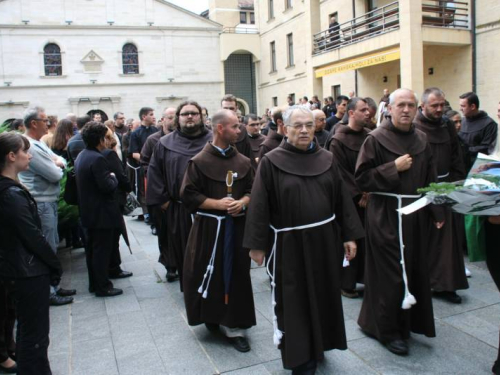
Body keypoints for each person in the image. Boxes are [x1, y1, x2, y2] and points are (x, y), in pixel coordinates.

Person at [244, 105, 363, 374]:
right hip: (289, 245)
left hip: (324, 241)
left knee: (322, 295)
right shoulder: (272, 161)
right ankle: (299, 356)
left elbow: (342, 200)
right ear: (284, 128)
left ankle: (319, 344)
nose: (305, 130)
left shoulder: (327, 158)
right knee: (295, 300)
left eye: (309, 124)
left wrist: (349, 236)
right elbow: (259, 204)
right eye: (297, 125)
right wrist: (257, 245)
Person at [355, 88, 444, 355]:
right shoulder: (375, 139)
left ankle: (408, 322)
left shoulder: (422, 139)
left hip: (415, 214)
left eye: (411, 105)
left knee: (414, 269)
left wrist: (436, 211)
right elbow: (361, 179)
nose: (406, 110)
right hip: (385, 214)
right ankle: (387, 330)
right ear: (390, 109)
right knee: (390, 273)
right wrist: (393, 168)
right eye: (401, 105)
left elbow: (430, 177)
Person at [180, 109, 255, 353]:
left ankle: (235, 326)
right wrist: (217, 204)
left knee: (236, 273)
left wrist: (242, 203)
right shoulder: (199, 162)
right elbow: (188, 194)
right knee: (207, 271)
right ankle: (211, 317)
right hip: (209, 228)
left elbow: (254, 191)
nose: (239, 130)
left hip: (236, 227)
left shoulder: (243, 162)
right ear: (220, 129)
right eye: (235, 126)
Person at [0, 132, 63, 374]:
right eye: (25, 151)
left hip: (20, 268)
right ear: (11, 156)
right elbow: (32, 236)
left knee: (31, 333)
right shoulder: (11, 194)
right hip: (26, 271)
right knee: (34, 336)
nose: (29, 156)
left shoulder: (12, 189)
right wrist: (53, 264)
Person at [146, 102, 212, 284]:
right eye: (185, 114)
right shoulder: (164, 144)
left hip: (212, 209)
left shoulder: (215, 140)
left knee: (211, 253)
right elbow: (154, 174)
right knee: (185, 254)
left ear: (201, 116)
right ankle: (191, 294)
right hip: (180, 210)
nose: (189, 116)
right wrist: (164, 202)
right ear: (178, 118)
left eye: (194, 113)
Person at [414, 87, 469, 303]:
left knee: (448, 239)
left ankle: (446, 284)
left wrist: (457, 182)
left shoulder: (447, 124)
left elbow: (456, 154)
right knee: (427, 238)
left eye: (442, 105)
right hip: (423, 189)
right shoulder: (414, 127)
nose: (439, 109)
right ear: (423, 106)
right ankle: (426, 282)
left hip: (447, 186)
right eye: (434, 105)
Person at [18, 107, 74, 306]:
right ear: (34, 123)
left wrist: (58, 162)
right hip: (41, 203)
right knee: (47, 246)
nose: (49, 124)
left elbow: (61, 161)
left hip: (48, 201)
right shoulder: (30, 146)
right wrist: (57, 165)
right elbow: (55, 173)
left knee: (53, 242)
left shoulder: (38, 143)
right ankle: (49, 291)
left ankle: (53, 285)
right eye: (45, 120)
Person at [329, 98, 372, 298]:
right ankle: (346, 282)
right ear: (352, 113)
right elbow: (339, 172)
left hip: (370, 197)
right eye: (363, 110)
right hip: (349, 199)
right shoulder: (338, 140)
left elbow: (375, 166)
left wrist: (370, 190)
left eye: (368, 110)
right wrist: (359, 192)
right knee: (349, 239)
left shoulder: (371, 137)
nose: (368, 113)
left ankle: (367, 277)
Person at [74, 122, 123, 297]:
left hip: (89, 212)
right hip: (101, 214)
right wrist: (112, 177)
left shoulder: (82, 155)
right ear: (100, 139)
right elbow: (107, 186)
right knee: (101, 252)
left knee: (93, 252)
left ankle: (95, 284)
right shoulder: (97, 158)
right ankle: (103, 286)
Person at [101, 128, 133, 280]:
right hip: (116, 197)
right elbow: (120, 175)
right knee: (115, 234)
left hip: (108, 199)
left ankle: (112, 266)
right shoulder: (108, 153)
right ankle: (114, 267)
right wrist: (128, 188)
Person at [129, 107, 158, 223]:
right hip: (144, 166)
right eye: (151, 114)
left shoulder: (156, 130)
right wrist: (149, 161)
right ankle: (146, 213)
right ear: (144, 117)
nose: (153, 116)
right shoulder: (135, 133)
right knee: (143, 190)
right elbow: (134, 153)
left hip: (157, 167)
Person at [458, 91, 498, 171]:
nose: (460, 109)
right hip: (461, 166)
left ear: (472, 106)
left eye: (463, 106)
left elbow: (488, 148)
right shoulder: (461, 122)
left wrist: (467, 150)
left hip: (478, 167)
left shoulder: (489, 124)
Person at [221, 94, 255, 163]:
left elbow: (248, 154)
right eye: (225, 108)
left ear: (236, 108)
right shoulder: (215, 129)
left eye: (231, 108)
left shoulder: (242, 129)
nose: (228, 111)